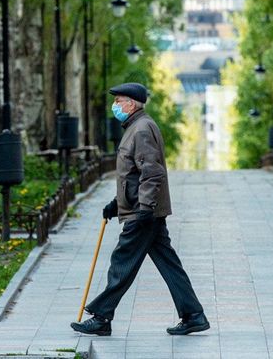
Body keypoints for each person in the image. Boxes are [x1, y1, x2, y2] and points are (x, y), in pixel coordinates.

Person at [71, 82, 209, 337]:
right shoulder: (136, 127)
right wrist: (117, 203)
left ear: (131, 104)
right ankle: (194, 315)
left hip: (143, 211)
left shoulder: (141, 129)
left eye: (119, 101)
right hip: (143, 208)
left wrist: (144, 206)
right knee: (169, 264)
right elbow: (132, 175)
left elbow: (152, 173)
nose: (115, 106)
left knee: (122, 261)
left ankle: (101, 316)